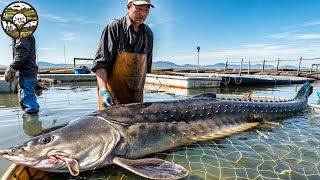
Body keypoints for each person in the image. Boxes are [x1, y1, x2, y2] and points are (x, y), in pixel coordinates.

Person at [92, 0, 154, 109]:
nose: (143, 14)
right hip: (111, 102)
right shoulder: (115, 28)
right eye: (139, 9)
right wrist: (104, 92)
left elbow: (145, 70)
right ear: (128, 7)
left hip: (136, 104)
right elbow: (101, 65)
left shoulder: (148, 34)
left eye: (146, 10)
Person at [4, 35, 40, 113]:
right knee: (30, 101)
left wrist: (11, 69)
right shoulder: (26, 34)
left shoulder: (23, 34)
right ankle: (33, 122)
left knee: (29, 107)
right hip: (29, 73)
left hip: (26, 74)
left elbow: (21, 54)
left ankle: (32, 124)